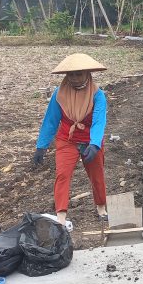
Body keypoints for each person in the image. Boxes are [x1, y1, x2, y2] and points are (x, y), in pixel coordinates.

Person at [32, 54, 108, 226]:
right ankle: (61, 216)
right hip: (68, 139)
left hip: (90, 140)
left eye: (78, 74)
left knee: (97, 175)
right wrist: (41, 146)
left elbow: (98, 121)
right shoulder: (59, 94)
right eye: (71, 75)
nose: (74, 78)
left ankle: (101, 207)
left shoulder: (97, 95)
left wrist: (95, 144)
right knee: (62, 174)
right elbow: (51, 120)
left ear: (87, 73)